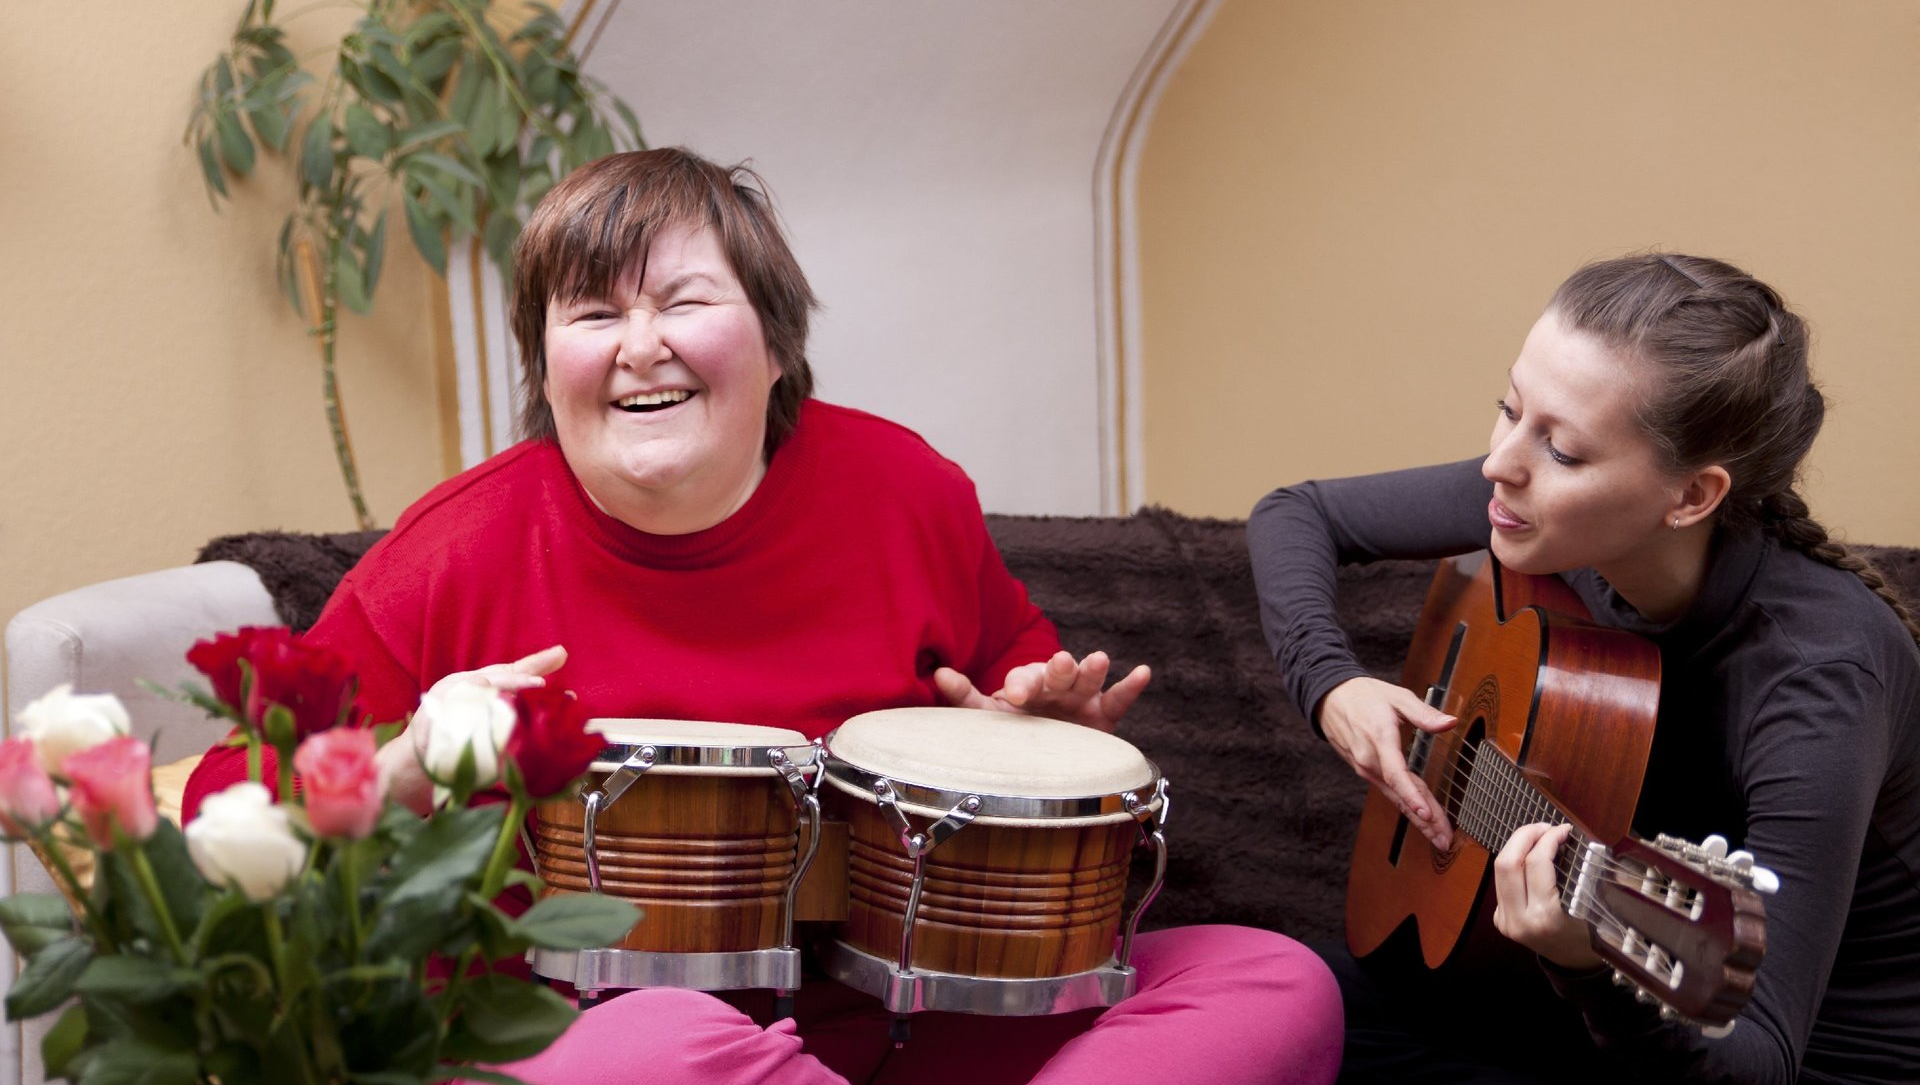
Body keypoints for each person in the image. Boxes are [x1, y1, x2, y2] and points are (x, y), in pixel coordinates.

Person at [182, 147, 1343, 1085]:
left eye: (683, 300)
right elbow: (222, 804)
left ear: (778, 344)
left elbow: (1014, 672)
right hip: (598, 1034)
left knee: (1274, 980)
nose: (640, 344)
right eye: (592, 312)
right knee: (652, 1045)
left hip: (905, 1018)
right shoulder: (453, 550)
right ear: (544, 363)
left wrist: (1040, 722)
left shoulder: (906, 490)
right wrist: (403, 765)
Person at [1248, 252, 1920, 1084]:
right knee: (1263, 1001)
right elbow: (1297, 514)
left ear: (1692, 496)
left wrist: (1586, 967)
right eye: (1509, 409)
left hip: (1775, 1060)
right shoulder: (1548, 512)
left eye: (1562, 449)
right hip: (1562, 1010)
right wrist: (1332, 685)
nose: (1499, 464)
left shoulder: (1822, 678)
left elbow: (1761, 1059)